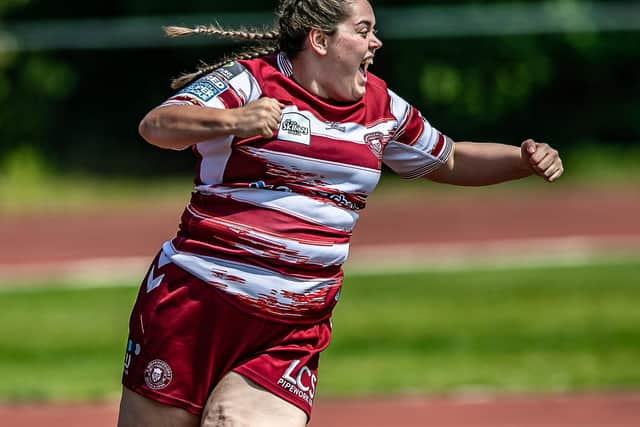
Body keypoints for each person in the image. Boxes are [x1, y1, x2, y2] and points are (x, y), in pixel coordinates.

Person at [117, 0, 564, 426]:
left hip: (291, 330)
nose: (377, 43)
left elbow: (449, 159)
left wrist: (522, 159)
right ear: (320, 40)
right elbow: (157, 125)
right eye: (364, 30)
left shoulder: (382, 107)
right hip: (196, 303)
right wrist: (234, 121)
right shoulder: (251, 83)